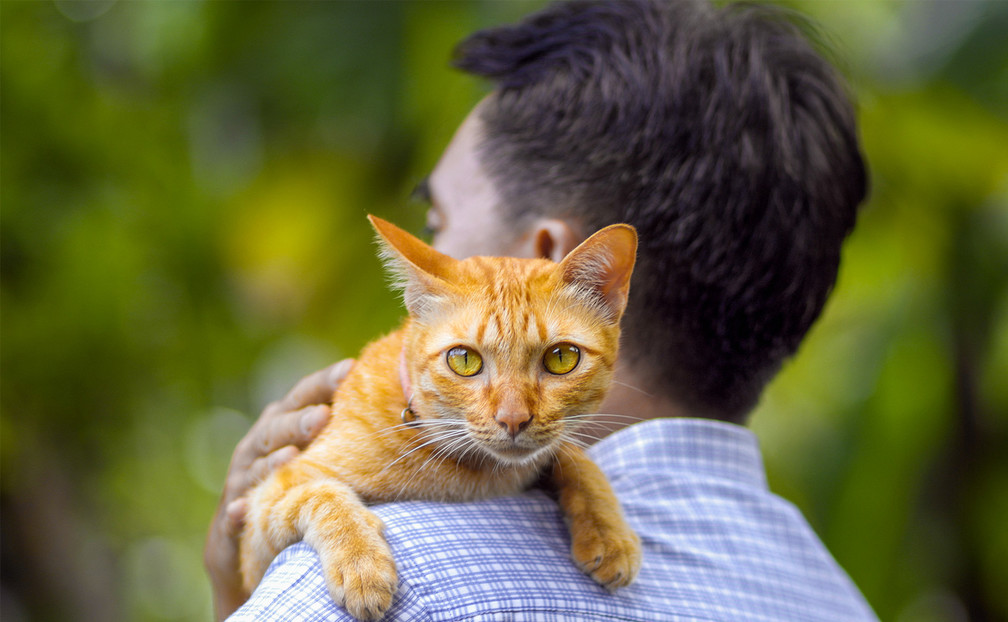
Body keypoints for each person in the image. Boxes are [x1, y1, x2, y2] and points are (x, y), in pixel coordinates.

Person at [206, 0, 874, 619]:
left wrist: (237, 586)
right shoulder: (840, 600)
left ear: (556, 264)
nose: (434, 256)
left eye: (437, 220)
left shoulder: (370, 580)